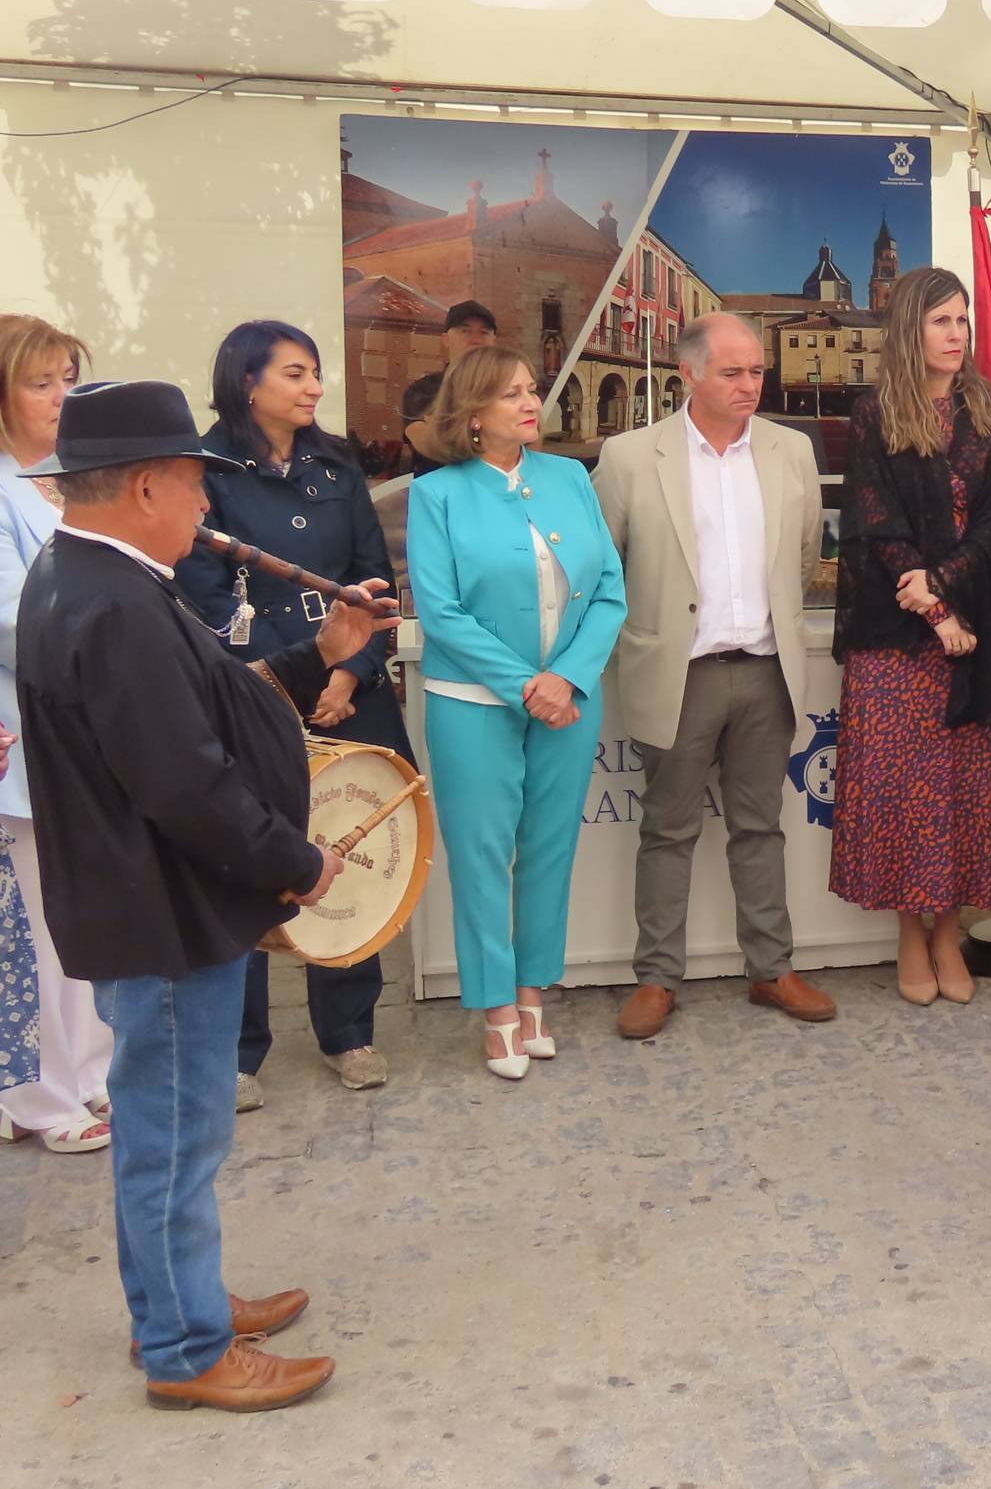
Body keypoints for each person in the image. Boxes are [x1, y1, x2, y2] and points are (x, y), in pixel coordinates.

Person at [19, 379, 382, 1412]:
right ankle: (185, 1348)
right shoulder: (114, 601)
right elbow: (186, 781)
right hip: (164, 912)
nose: (204, 509)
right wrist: (297, 864)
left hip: (145, 903)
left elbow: (196, 710)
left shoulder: (87, 577)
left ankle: (178, 1307)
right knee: (176, 1133)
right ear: (141, 487)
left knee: (159, 1126)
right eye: (191, 484)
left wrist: (318, 652)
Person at [175, 320, 409, 1108]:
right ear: (247, 382)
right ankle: (239, 1051)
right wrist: (293, 676)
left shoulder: (337, 464)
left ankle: (350, 1034)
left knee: (349, 848)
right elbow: (206, 604)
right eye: (296, 374)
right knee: (249, 861)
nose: (314, 388)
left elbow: (375, 583)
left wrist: (349, 671)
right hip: (254, 693)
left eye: (317, 374)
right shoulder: (205, 473)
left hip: (353, 693)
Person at [595, 313, 833, 1038]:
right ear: (688, 373)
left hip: (765, 672)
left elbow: (801, 556)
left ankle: (772, 969)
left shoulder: (791, 451)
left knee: (761, 827)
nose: (750, 385)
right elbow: (606, 566)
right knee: (667, 830)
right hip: (679, 672)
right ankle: (657, 978)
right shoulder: (632, 456)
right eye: (732, 372)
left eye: (757, 371)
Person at [409, 348, 628, 1076]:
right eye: (511, 395)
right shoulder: (436, 494)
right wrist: (525, 685)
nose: (531, 403)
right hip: (472, 703)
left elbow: (609, 594)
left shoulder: (570, 478)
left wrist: (565, 678)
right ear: (472, 415)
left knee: (549, 849)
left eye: (532, 390)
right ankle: (496, 1007)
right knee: (479, 856)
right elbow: (439, 612)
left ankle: (534, 992)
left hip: (567, 701)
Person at [827, 268, 991, 1004]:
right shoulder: (875, 412)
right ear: (910, 328)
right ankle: (912, 933)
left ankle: (951, 930)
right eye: (941, 321)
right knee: (905, 793)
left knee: (962, 792)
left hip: (977, 630)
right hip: (897, 640)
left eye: (963, 322)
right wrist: (928, 606)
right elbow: (877, 522)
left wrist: (946, 588)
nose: (956, 335)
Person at [0, 315, 111, 1155]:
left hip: (90, 730)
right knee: (35, 929)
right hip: (23, 730)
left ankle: (96, 1075)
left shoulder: (74, 481)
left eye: (71, 377)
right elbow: (13, 620)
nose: (62, 396)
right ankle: (42, 1098)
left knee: (87, 914)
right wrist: (115, 636)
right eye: (42, 381)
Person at [400, 300, 500, 475]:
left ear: (494, 341)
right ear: (446, 339)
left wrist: (447, 428)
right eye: (465, 331)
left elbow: (529, 443)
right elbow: (425, 442)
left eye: (484, 332)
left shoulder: (508, 389)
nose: (475, 340)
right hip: (441, 495)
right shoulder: (424, 390)